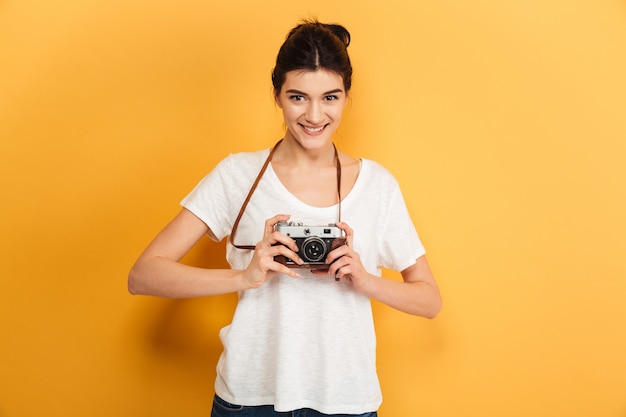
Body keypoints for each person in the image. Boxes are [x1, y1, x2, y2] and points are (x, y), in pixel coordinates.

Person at [129, 19, 442, 417]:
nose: (314, 115)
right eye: (298, 97)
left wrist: (365, 280)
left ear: (347, 98)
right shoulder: (237, 175)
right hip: (249, 398)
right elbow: (143, 276)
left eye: (330, 97)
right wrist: (245, 276)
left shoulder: (377, 185)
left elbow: (429, 301)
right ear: (277, 94)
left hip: (345, 401)